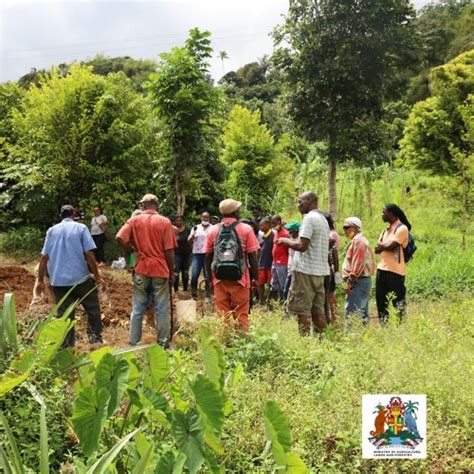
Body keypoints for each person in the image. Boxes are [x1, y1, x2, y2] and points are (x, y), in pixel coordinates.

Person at [37, 204, 103, 347]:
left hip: (59, 282)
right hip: (80, 279)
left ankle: (67, 349)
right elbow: (89, 255)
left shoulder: (51, 231)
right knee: (93, 309)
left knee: (64, 316)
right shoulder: (81, 228)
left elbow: (44, 257)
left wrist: (40, 280)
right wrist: (97, 277)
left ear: (61, 215)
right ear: (74, 214)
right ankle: (95, 341)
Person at [116, 194, 176, 348]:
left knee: (137, 308)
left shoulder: (134, 220)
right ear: (157, 205)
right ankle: (163, 343)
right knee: (162, 308)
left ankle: (133, 342)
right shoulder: (165, 222)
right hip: (160, 269)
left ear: (143, 205)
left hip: (141, 268)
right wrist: (171, 272)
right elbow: (169, 250)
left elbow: (120, 237)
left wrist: (132, 252)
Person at [278, 192, 330, 336]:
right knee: (318, 311)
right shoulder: (323, 219)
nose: (298, 204)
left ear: (310, 201)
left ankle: (305, 345)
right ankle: (322, 342)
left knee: (302, 311)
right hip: (320, 272)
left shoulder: (309, 218)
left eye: (301, 201)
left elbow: (302, 245)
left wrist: (285, 241)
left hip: (305, 271)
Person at [205, 199, 259, 333]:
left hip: (219, 279)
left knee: (222, 315)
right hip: (240, 279)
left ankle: (224, 341)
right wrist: (255, 278)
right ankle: (241, 345)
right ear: (235, 212)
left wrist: (210, 279)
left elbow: (207, 256)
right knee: (241, 314)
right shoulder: (246, 229)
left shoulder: (213, 231)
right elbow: (253, 256)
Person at [375, 203, 411, 323]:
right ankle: (384, 326)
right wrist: (383, 246)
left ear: (391, 214)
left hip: (395, 271)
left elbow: (390, 246)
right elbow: (377, 249)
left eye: (384, 212)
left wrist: (383, 246)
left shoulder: (402, 228)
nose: (382, 214)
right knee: (381, 301)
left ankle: (401, 326)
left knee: (398, 302)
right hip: (381, 269)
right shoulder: (385, 230)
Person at [342, 217, 375, 324]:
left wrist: (349, 282)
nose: (344, 230)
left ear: (355, 229)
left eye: (346, 227)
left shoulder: (359, 242)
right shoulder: (357, 241)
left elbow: (358, 263)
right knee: (361, 312)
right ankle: (362, 337)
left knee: (352, 312)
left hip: (358, 281)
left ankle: (351, 337)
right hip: (360, 281)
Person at [188, 211, 213, 299]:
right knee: (194, 275)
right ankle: (194, 294)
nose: (205, 219)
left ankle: (208, 295)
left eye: (207, 217)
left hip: (208, 254)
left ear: (209, 218)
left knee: (207, 275)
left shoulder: (213, 228)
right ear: (201, 218)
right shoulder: (196, 228)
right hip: (197, 254)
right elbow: (189, 241)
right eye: (204, 217)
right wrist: (192, 236)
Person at [321, 211, 340, 323]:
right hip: (328, 268)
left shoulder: (331, 235)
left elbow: (334, 254)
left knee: (329, 294)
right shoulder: (329, 233)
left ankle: (333, 316)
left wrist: (336, 271)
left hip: (328, 269)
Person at [271, 215, 289, 301]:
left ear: (279, 222)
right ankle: (276, 301)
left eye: (274, 223)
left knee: (283, 283)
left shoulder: (285, 234)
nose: (273, 226)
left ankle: (284, 301)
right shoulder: (277, 233)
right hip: (275, 262)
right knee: (274, 282)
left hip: (282, 262)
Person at [257, 217, 275, 305]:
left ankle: (270, 301)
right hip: (261, 263)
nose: (261, 227)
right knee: (260, 283)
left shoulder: (273, 235)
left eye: (262, 225)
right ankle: (261, 300)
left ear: (269, 225)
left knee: (270, 283)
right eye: (260, 225)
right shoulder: (261, 235)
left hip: (270, 263)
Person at [174, 215, 192, 292]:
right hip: (176, 254)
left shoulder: (188, 229)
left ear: (183, 221)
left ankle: (185, 289)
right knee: (176, 272)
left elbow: (191, 240)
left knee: (185, 272)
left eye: (180, 220)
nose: (178, 222)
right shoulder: (172, 230)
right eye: (177, 220)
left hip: (187, 254)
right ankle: (176, 289)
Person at [282, 221, 300, 301]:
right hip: (290, 267)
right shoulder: (290, 237)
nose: (289, 231)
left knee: (289, 290)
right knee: (287, 290)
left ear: (296, 230)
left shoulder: (299, 240)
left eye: (291, 230)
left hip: (296, 269)